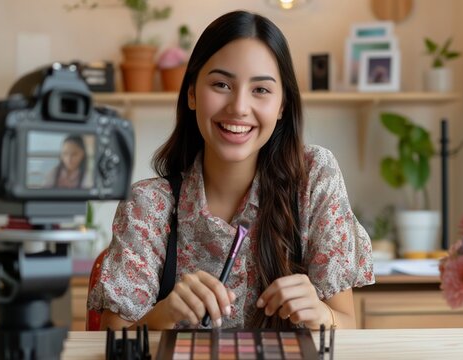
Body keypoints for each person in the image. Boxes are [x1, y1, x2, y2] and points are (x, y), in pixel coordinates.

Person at [88, 10, 373, 330]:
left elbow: (347, 324)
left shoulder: (313, 178)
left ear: (282, 106)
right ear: (193, 94)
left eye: (261, 90)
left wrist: (324, 315)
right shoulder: (148, 204)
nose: (238, 107)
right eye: (221, 84)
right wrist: (164, 314)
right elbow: (115, 338)